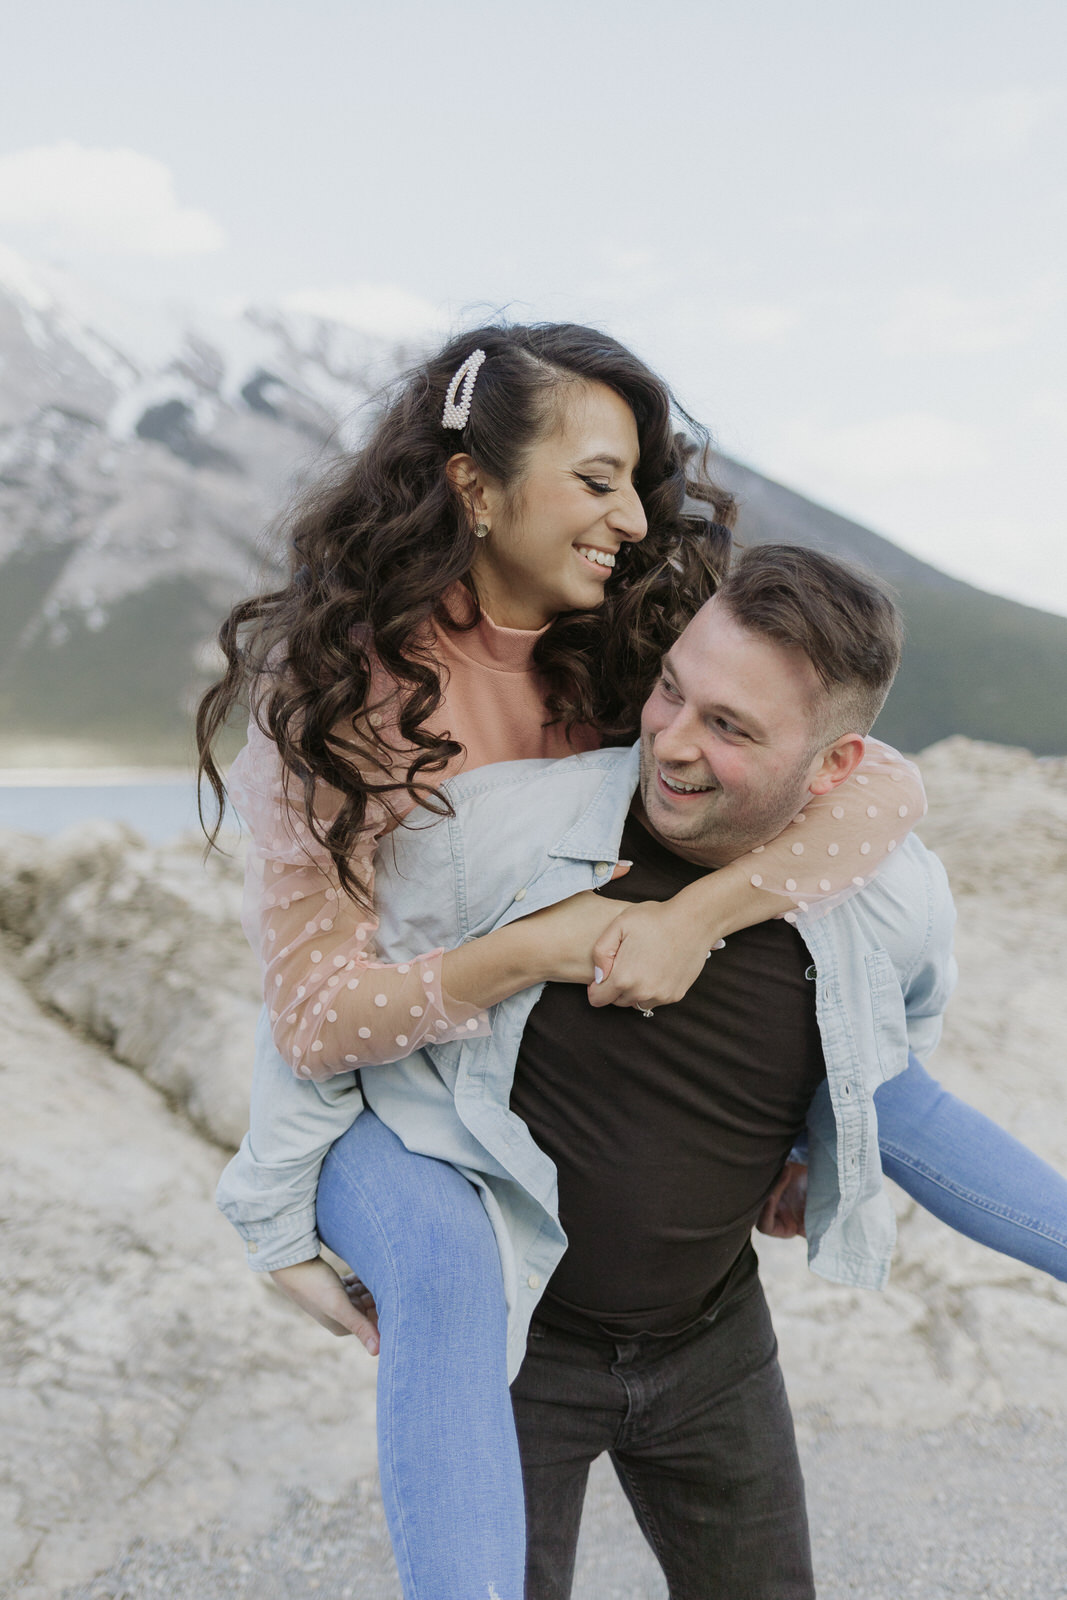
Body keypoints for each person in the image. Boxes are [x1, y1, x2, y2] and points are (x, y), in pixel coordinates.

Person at [202, 325, 1067, 1599]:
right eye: (595, 478)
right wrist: (280, 1202)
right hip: (433, 1109)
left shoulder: (630, 630)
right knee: (442, 1262)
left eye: (634, 480)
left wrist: (699, 923)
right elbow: (316, 1016)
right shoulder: (348, 697)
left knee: (880, 1087)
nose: (630, 514)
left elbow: (870, 788)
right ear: (475, 486)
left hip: (664, 1230)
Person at [305, 543, 954, 1597]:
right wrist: (281, 1205)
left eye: (728, 727)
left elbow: (907, 1022)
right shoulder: (504, 835)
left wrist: (817, 1146)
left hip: (714, 1344)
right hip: (521, 1345)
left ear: (833, 766)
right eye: (670, 692)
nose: (671, 740)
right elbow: (321, 1007)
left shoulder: (875, 891)